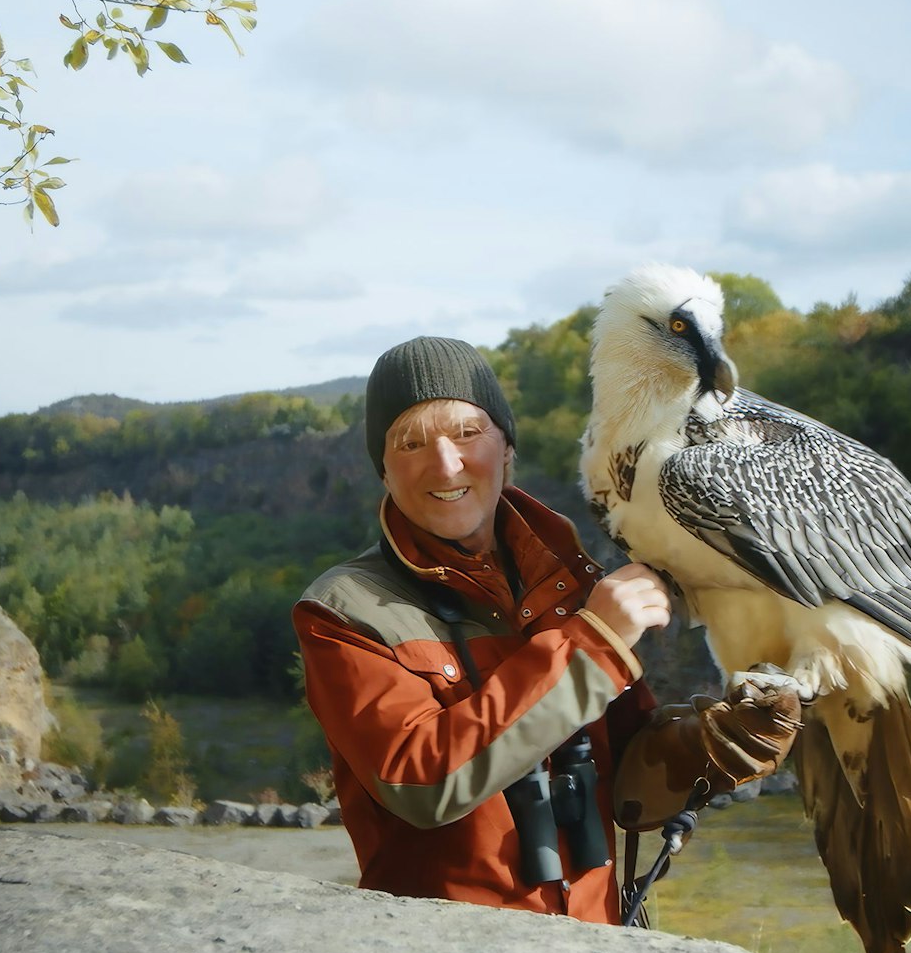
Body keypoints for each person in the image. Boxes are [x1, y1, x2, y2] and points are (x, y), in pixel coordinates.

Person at [293, 335, 802, 923]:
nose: (445, 463)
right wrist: (593, 646)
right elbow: (421, 781)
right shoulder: (344, 610)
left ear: (507, 447)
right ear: (384, 470)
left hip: (594, 946)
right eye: (410, 443)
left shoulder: (569, 580)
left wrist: (711, 745)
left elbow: (632, 779)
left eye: (467, 433)